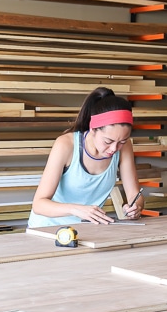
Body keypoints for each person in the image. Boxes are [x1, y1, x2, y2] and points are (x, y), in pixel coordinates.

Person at [28, 87, 144, 227]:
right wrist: (76, 209)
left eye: (122, 141)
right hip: (48, 228)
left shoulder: (124, 147)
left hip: (86, 230)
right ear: (93, 129)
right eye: (108, 141)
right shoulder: (66, 145)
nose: (114, 148)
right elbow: (39, 204)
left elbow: (134, 194)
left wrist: (135, 207)